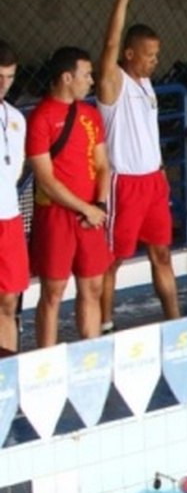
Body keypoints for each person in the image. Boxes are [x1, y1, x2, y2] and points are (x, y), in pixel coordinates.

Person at [96, 0, 179, 334]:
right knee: (112, 261)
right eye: (149, 55)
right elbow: (110, 42)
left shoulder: (147, 85)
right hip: (124, 185)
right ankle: (106, 325)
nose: (154, 62)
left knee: (162, 254)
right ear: (130, 54)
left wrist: (160, 171)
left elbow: (149, 135)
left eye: (156, 55)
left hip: (152, 182)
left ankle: (176, 323)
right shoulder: (113, 85)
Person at [26, 47, 112, 348]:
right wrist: (85, 208)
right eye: (86, 74)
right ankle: (46, 364)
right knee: (53, 291)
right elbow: (46, 181)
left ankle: (92, 355)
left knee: (92, 287)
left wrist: (98, 205)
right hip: (56, 216)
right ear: (66, 77)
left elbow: (103, 165)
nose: (91, 81)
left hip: (91, 215)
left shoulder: (90, 115)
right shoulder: (40, 119)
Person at [0, 42, 30, 354]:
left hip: (8, 218)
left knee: (9, 299)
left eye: (9, 77)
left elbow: (17, 169)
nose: (3, 84)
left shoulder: (16, 119)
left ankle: (6, 373)